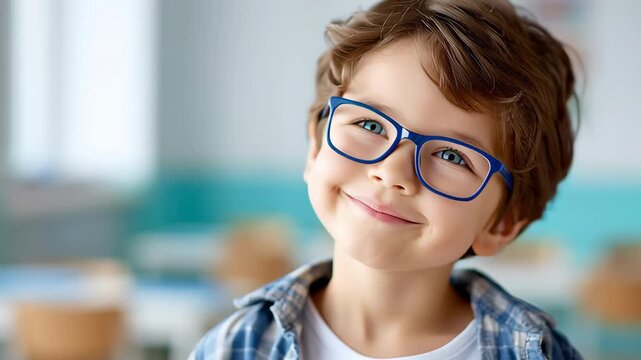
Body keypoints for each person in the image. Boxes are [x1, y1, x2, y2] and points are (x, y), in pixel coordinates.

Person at [189, 0, 582, 358]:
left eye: (451, 156)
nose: (392, 172)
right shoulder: (234, 346)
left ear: (503, 222)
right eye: (368, 123)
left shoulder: (536, 353)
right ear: (315, 147)